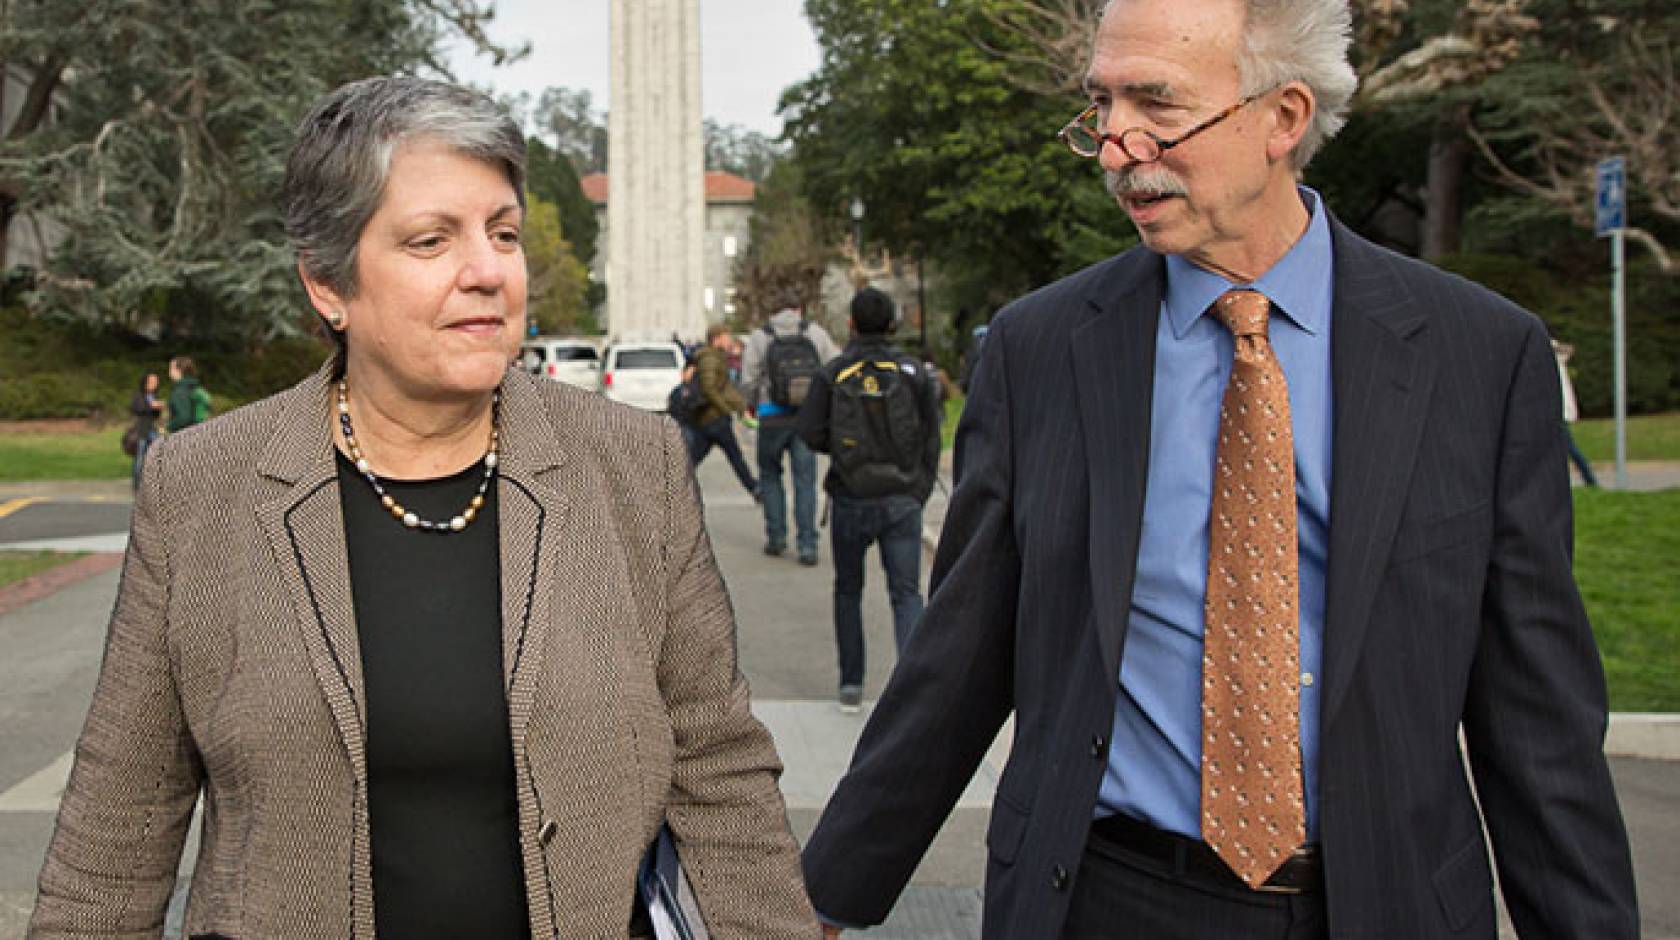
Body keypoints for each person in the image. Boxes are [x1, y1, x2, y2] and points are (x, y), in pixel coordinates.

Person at [800, 1, 1638, 938]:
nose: (1118, 145)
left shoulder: (1479, 356)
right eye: (1103, 105)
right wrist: (821, 899)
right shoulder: (1042, 351)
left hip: (1389, 904)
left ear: (1283, 117)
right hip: (1103, 901)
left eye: (1156, 103)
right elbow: (959, 656)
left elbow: (1538, 724)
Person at [30, 76, 819, 940]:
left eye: (503, 234)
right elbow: (120, 824)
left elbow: (720, 769)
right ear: (329, 286)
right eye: (431, 240)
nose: (486, 271)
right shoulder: (203, 486)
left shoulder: (633, 466)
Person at [796, 288, 941, 713]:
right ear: (893, 324)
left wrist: (842, 454)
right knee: (906, 593)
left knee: (848, 590)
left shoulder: (836, 372)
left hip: (851, 495)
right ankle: (912, 689)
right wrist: (920, 487)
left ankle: (851, 684)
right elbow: (933, 435)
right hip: (902, 496)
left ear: (852, 325)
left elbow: (808, 430)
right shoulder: (913, 372)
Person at [741, 304, 839, 565]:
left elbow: (748, 379)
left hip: (771, 416)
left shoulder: (761, 337)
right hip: (806, 418)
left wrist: (753, 405)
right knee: (805, 482)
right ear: (799, 308)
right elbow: (833, 370)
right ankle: (807, 544)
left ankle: (777, 538)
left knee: (771, 476)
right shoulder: (815, 333)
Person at [686, 322, 760, 499]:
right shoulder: (710, 358)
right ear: (716, 339)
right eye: (726, 337)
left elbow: (726, 388)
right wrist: (726, 409)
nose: (729, 341)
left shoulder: (716, 357)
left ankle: (666, 487)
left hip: (710, 418)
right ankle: (755, 488)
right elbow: (709, 388)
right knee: (734, 456)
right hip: (714, 417)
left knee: (693, 457)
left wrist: (740, 407)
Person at [1553, 339, 1599, 487]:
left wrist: (1554, 345)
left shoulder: (1555, 362)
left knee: (1569, 448)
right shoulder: (1557, 362)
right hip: (1559, 412)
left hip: (1559, 413)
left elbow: (1568, 349)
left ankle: (1590, 481)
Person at [126, 372, 162, 489]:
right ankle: (137, 487)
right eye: (152, 381)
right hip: (141, 430)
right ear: (145, 382)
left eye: (156, 382)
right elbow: (136, 408)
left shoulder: (154, 395)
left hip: (152, 429)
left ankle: (153, 484)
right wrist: (151, 406)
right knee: (139, 459)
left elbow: (155, 415)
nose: (154, 384)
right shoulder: (139, 395)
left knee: (156, 456)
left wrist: (158, 408)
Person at [164, 356, 210, 432]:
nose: (169, 372)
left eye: (171, 368)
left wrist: (169, 426)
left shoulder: (180, 391)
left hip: (183, 435)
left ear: (179, 370)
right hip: (198, 431)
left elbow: (183, 417)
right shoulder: (193, 386)